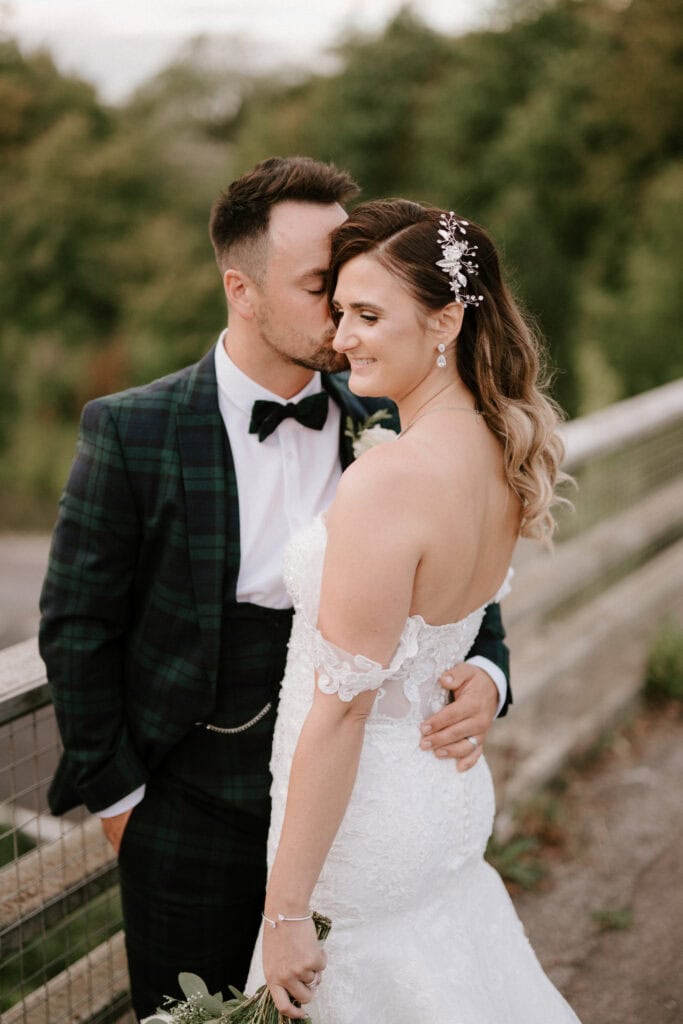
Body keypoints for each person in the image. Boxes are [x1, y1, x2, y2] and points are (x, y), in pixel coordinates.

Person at [38, 158, 511, 1021]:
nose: (342, 314)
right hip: (186, 809)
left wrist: (487, 672)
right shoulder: (132, 427)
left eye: (356, 297)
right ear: (241, 289)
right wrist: (121, 806)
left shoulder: (388, 409)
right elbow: (76, 626)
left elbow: (456, 583)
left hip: (358, 801)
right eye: (320, 288)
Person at [245, 198, 580, 1022]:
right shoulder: (504, 449)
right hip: (440, 795)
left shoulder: (389, 480)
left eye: (366, 315)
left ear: (446, 321)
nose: (342, 337)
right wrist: (487, 674)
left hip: (362, 824)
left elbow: (343, 712)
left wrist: (285, 914)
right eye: (338, 314)